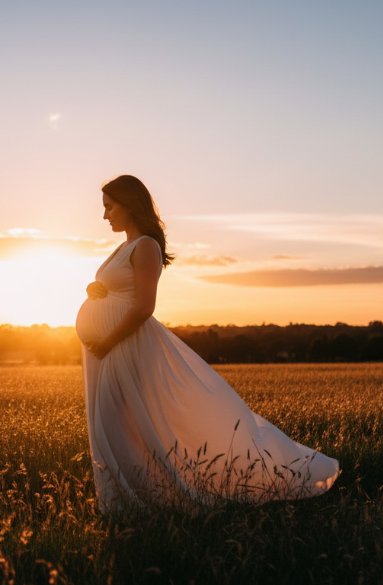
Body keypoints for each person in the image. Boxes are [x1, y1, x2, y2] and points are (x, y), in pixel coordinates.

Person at [75, 175, 340, 514]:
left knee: (116, 423)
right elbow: (119, 289)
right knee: (112, 424)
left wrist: (108, 340)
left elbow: (144, 306)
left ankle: (149, 501)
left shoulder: (146, 246)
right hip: (108, 349)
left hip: (125, 347)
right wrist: (95, 292)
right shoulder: (123, 247)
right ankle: (130, 502)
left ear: (129, 204)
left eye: (109, 207)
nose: (105, 215)